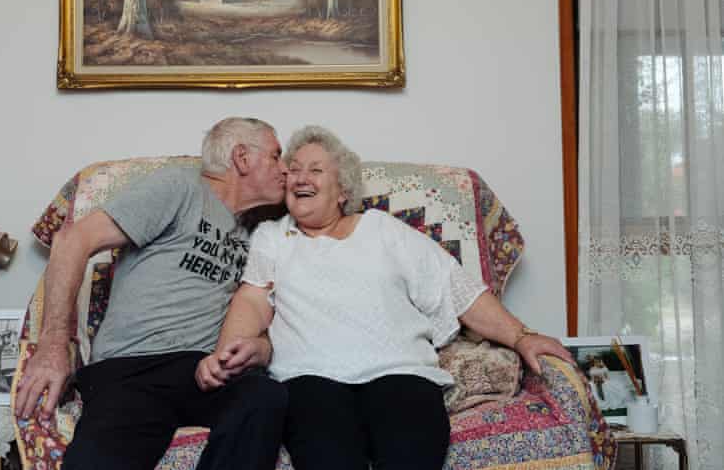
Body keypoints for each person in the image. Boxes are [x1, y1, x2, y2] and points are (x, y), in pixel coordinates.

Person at [196, 125, 575, 470]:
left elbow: (455, 288)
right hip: (309, 378)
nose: (300, 177)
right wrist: (228, 354)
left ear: (343, 190)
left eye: (315, 170)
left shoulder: (384, 231)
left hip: (400, 372)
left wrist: (522, 336)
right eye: (293, 169)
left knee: (410, 456)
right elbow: (251, 300)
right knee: (328, 459)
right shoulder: (273, 237)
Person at [14, 117, 290, 470]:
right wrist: (53, 344)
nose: (284, 169)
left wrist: (261, 349)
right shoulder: (180, 187)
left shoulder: (261, 233)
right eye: (275, 156)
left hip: (204, 372)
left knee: (263, 396)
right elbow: (72, 239)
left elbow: (264, 312)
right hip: (133, 369)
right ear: (242, 157)